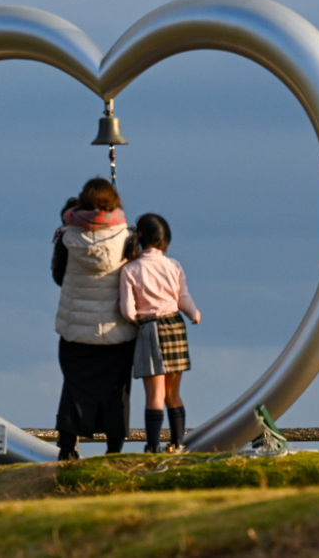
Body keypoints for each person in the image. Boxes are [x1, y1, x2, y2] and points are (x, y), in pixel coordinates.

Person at [53, 177, 135, 459]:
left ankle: (67, 449)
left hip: (77, 331)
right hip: (118, 333)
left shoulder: (67, 237)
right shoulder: (128, 238)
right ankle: (113, 450)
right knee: (117, 393)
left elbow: (57, 276)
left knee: (74, 391)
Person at [119, 213, 201, 453]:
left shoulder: (130, 269)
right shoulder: (173, 265)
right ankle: (177, 444)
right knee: (173, 394)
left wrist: (137, 321)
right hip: (175, 325)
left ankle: (152, 446)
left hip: (150, 328)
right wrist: (194, 314)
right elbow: (182, 298)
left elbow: (127, 310)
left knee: (154, 395)